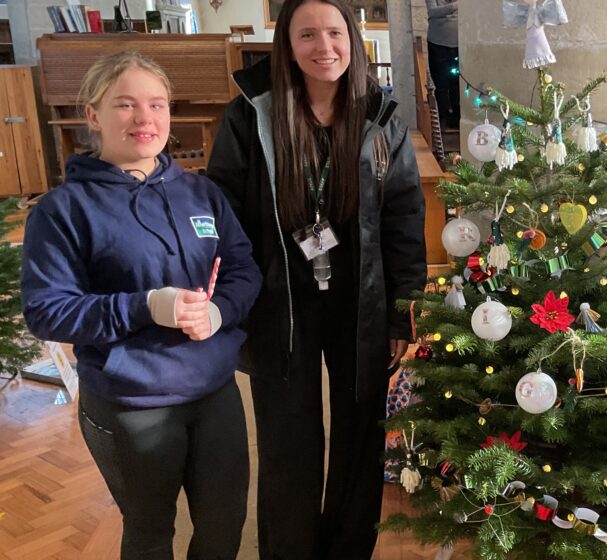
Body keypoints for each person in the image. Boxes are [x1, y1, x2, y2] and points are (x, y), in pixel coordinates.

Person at [206, 0, 427, 556]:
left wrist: (404, 310)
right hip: (279, 301)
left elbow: (404, 219)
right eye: (308, 34)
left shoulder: (381, 117)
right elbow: (224, 214)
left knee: (361, 438)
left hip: (361, 301)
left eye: (334, 33)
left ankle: (348, 548)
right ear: (286, 43)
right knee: (288, 440)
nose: (323, 47)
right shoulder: (249, 114)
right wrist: (230, 303)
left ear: (352, 40)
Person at [21, 51, 261, 559]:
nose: (145, 118)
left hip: (214, 390)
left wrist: (219, 312)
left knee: (224, 526)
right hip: (132, 402)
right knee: (151, 532)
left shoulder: (202, 193)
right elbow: (47, 310)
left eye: (157, 104)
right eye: (125, 104)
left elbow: (242, 268)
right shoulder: (63, 210)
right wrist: (146, 306)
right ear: (92, 115)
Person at [426, 0, 460, 130]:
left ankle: (457, 119)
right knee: (441, 85)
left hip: (459, 44)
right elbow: (432, 12)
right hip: (437, 43)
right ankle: (443, 120)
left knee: (457, 84)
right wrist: (455, 6)